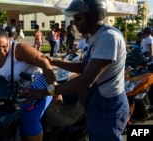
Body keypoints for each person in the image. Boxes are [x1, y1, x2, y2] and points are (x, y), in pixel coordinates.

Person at [24, 0, 129, 141]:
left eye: (78, 18)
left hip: (107, 105)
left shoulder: (108, 37)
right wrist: (54, 61)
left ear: (91, 17)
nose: (74, 23)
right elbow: (84, 66)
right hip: (97, 102)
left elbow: (86, 79)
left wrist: (46, 91)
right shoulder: (96, 36)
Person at [0, 27, 63, 141]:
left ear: (8, 39)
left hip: (41, 81)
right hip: (14, 90)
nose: (1, 51)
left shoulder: (19, 49)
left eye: (4, 46)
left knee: (27, 114)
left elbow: (45, 62)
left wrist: (55, 91)